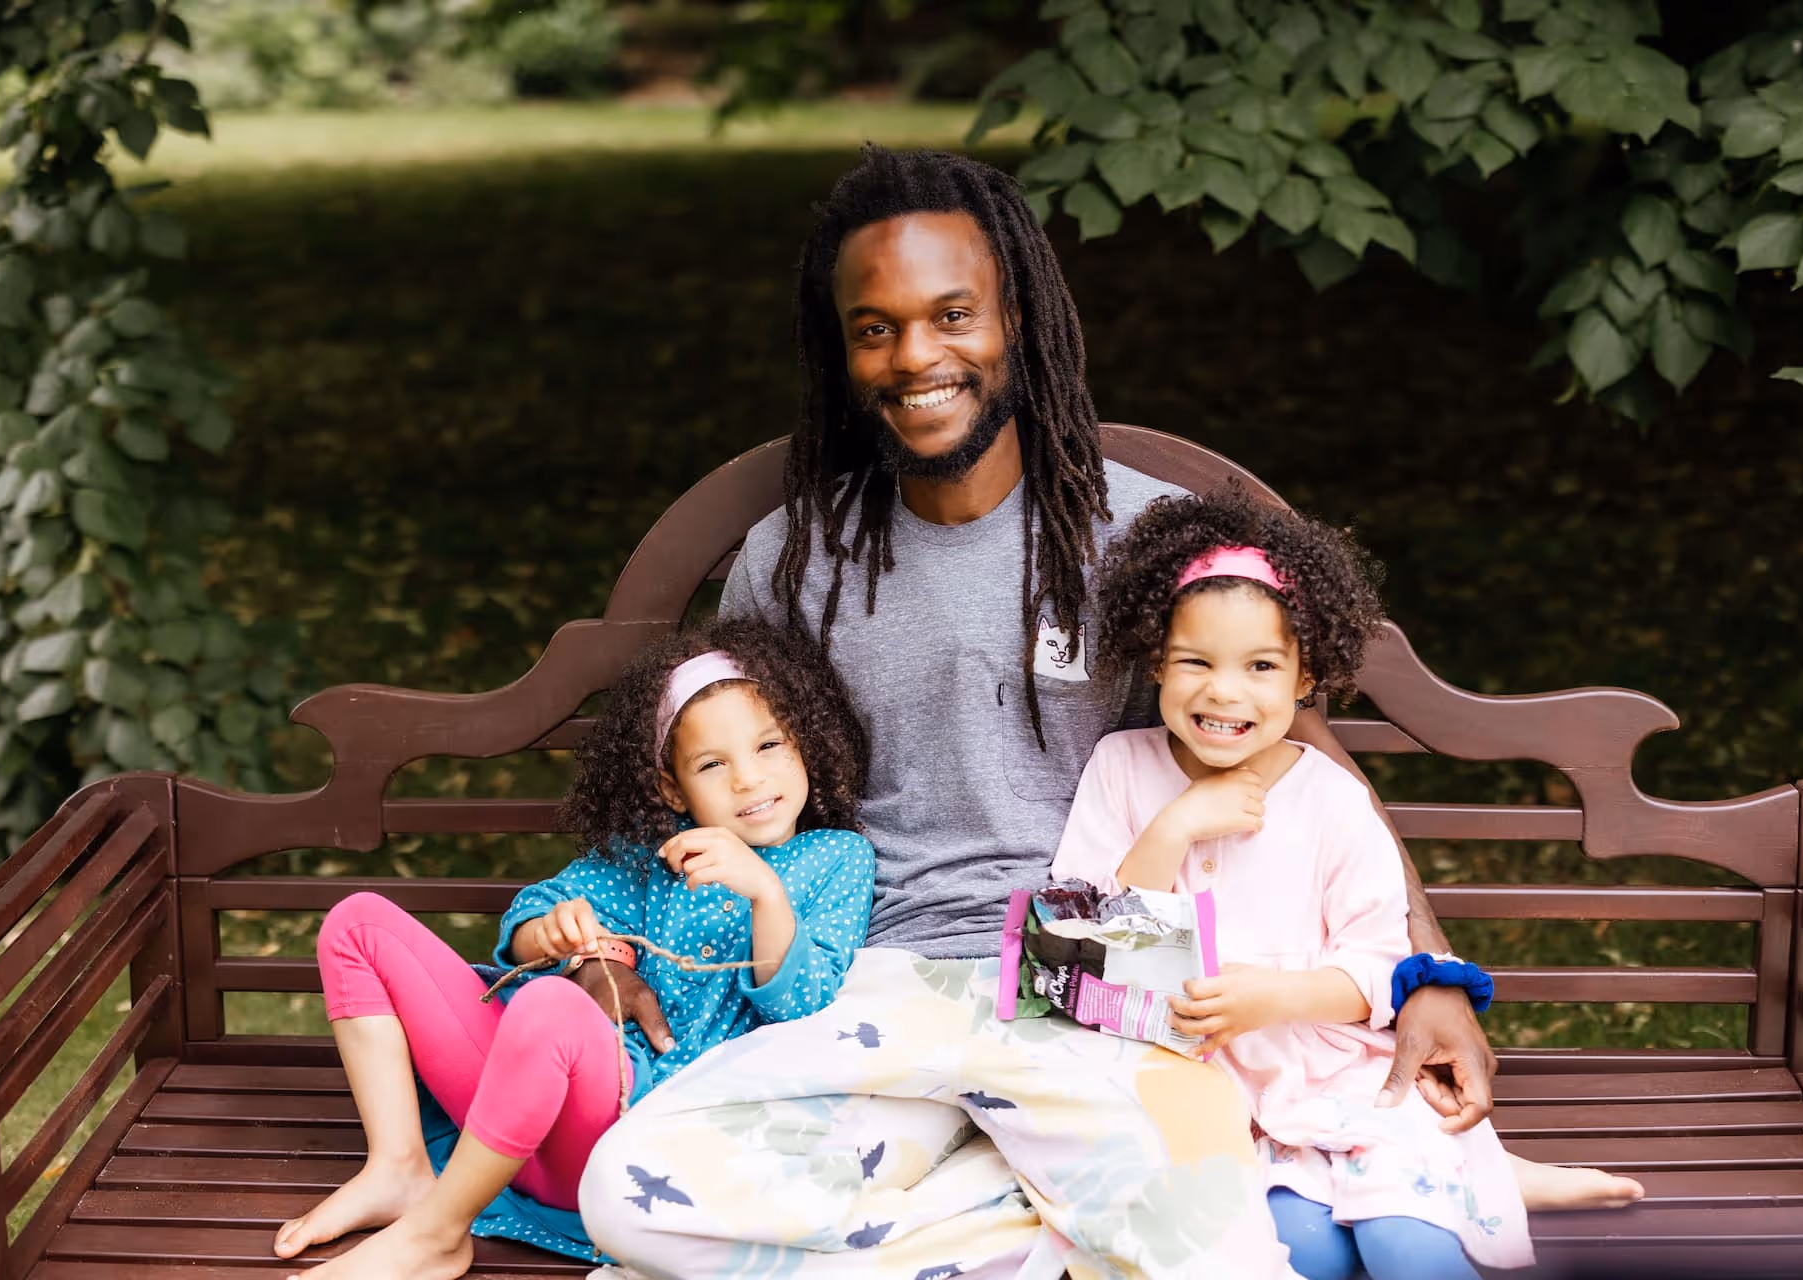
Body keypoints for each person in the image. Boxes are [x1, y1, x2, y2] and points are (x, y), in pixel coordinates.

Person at [576, 147, 1638, 1279]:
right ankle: (1035, 1233)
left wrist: (1428, 974)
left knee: (1212, 1240)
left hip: (1092, 979)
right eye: (874, 328)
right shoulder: (794, 558)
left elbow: (1303, 758)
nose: (916, 355)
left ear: (1018, 319)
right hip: (875, 983)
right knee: (628, 1196)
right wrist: (620, 951)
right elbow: (723, 767)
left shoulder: (1140, 536)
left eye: (952, 314)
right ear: (839, 350)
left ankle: (1018, 1217)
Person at [269, 617, 875, 1279]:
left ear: (804, 747)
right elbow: (531, 916)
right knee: (359, 924)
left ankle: (437, 1233)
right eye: (712, 764)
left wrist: (765, 894)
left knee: (552, 1009)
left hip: (634, 1132)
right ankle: (399, 1167)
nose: (748, 780)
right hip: (524, 1116)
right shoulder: (653, 856)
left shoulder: (835, 859)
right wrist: (564, 937)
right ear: (672, 787)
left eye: (769, 746)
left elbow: (804, 1002)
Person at [1051, 488, 1548, 1279]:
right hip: (1209, 1091)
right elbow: (1092, 944)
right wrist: (1175, 825)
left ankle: (1478, 1191)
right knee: (1302, 1250)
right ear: (1156, 661)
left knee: (1404, 1243)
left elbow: (1380, 963)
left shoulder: (1331, 799)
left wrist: (1274, 998)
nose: (1224, 692)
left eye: (1260, 666)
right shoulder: (1121, 770)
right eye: (1195, 662)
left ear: (1303, 673)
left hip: (1337, 1068)